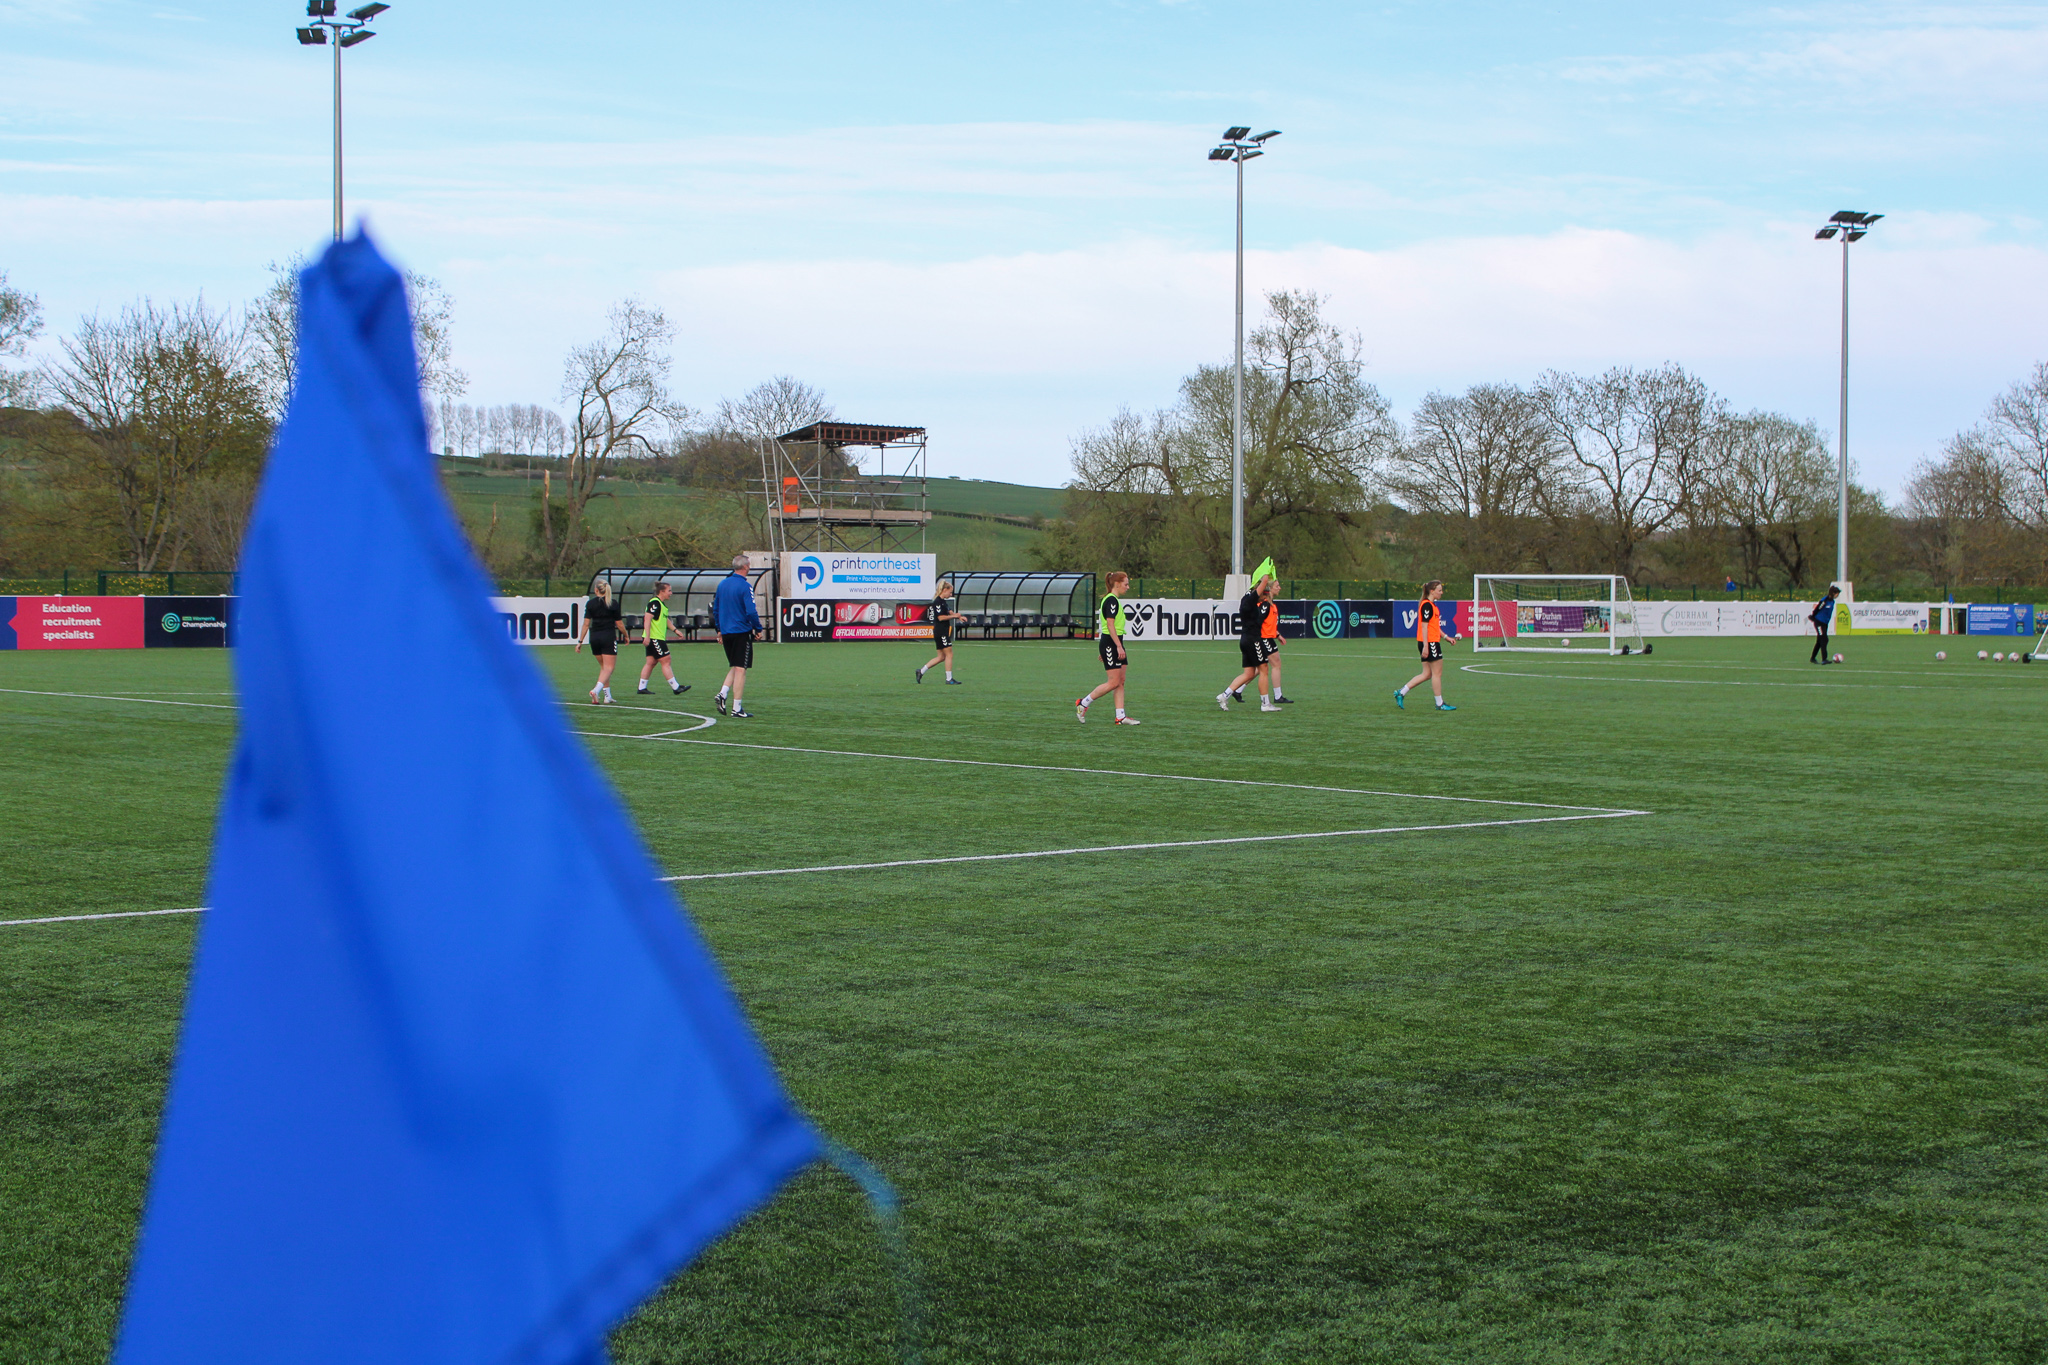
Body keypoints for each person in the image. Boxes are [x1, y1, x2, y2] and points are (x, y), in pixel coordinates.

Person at [1074, 571, 1138, 724]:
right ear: (1117, 584)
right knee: (1113, 682)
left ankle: (1120, 716)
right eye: (1126, 584)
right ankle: (1083, 703)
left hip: (1114, 643)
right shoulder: (1111, 600)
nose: (1128, 587)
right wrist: (1116, 647)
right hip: (1111, 642)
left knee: (1121, 680)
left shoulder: (1113, 600)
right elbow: (1109, 624)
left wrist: (1116, 646)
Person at [1218, 575, 1282, 712]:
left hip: (1245, 639)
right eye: (1263, 596)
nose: (1264, 598)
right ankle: (1265, 704)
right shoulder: (1252, 601)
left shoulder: (1245, 601)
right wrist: (1265, 577)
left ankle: (1224, 695)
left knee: (1248, 673)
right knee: (1264, 669)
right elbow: (1261, 586)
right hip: (1253, 639)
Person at [1396, 580, 1459, 711]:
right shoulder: (1427, 605)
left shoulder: (1431, 606)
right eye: (1439, 590)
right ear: (1432, 591)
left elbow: (1434, 626)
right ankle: (1439, 704)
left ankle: (1401, 692)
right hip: (1430, 643)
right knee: (1437, 673)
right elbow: (1424, 627)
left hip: (1429, 642)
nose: (1441, 593)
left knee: (1427, 674)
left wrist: (1446, 637)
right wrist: (1426, 645)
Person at [713, 554, 764, 717]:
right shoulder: (745, 586)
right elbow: (750, 611)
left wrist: (719, 630)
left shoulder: (722, 584)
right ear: (746, 567)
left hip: (727, 632)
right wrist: (758, 628)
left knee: (736, 665)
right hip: (741, 631)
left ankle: (722, 694)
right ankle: (737, 708)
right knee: (741, 669)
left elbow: (716, 609)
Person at [636, 581, 690, 699]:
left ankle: (641, 687)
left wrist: (675, 630)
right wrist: (647, 636)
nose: (671, 593)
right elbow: (647, 619)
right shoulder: (654, 603)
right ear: (662, 591)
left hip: (657, 637)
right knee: (666, 660)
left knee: (651, 662)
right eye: (669, 590)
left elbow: (665, 620)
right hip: (655, 638)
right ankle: (676, 687)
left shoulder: (661, 604)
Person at [574, 578, 623, 704]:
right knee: (609, 668)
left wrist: (580, 641)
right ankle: (596, 690)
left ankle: (608, 696)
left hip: (594, 638)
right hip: (608, 637)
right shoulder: (613, 603)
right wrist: (626, 635)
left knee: (604, 668)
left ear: (596, 590)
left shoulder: (591, 604)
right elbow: (619, 623)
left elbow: (586, 624)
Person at [917, 580, 966, 684]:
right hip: (941, 631)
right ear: (944, 590)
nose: (951, 594)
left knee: (941, 657)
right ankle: (949, 679)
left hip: (941, 631)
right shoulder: (937, 602)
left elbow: (950, 612)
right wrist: (954, 616)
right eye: (950, 592)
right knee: (949, 655)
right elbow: (940, 618)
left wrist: (959, 617)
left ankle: (921, 671)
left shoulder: (943, 601)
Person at [1810, 584, 1841, 664]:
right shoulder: (1825, 600)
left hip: (1824, 623)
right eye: (1837, 593)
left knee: (1820, 641)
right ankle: (1824, 659)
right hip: (1819, 622)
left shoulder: (1832, 602)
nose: (1838, 595)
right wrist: (1813, 616)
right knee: (1824, 639)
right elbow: (1818, 608)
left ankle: (1813, 658)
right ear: (1833, 593)